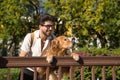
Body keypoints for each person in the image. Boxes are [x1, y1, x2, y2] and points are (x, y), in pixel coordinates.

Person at [19, 14, 56, 80]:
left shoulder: (53, 39)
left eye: (52, 26)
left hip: (43, 74)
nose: (50, 29)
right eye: (48, 26)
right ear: (40, 26)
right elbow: (22, 56)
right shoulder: (30, 37)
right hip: (27, 72)